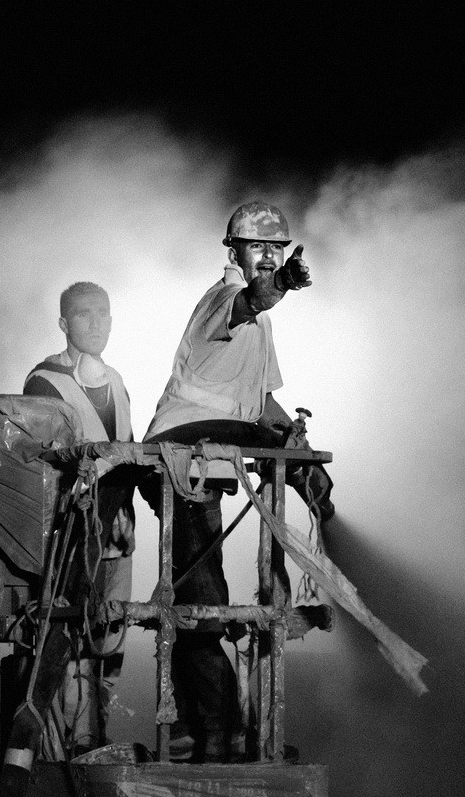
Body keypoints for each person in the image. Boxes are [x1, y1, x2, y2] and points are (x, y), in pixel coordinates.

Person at [143, 200, 331, 763]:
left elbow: (261, 404)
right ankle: (215, 732)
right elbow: (253, 299)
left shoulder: (260, 325)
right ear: (234, 251)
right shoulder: (222, 300)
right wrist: (284, 284)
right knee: (203, 600)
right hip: (178, 461)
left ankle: (204, 728)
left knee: (204, 595)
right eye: (258, 247)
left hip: (207, 463)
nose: (269, 256)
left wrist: (302, 457)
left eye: (276, 248)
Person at [23, 281, 135, 753]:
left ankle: (96, 737)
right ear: (64, 324)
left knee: (111, 635)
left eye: (103, 313)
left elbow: (129, 452)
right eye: (85, 314)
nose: (96, 323)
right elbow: (41, 461)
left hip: (118, 533)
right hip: (71, 531)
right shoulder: (44, 381)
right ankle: (68, 744)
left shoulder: (117, 383)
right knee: (71, 629)